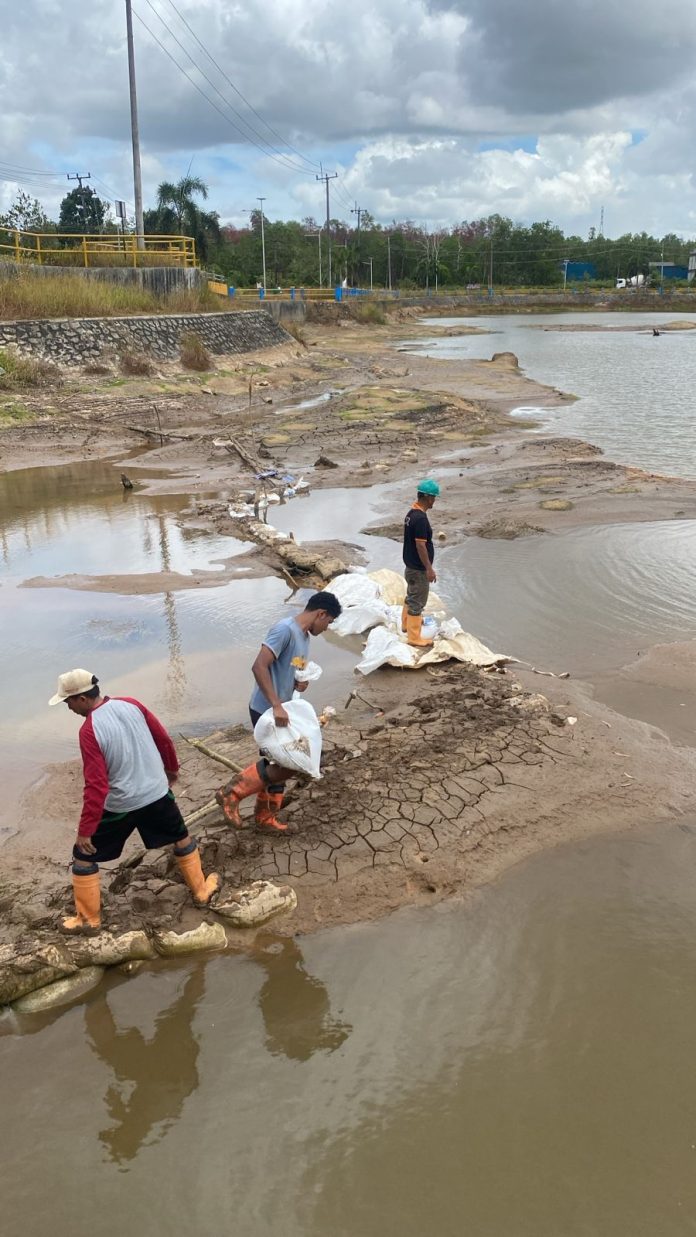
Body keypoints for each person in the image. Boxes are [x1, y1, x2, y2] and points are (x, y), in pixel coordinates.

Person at [49, 668, 219, 934]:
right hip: (156, 793)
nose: (67, 707)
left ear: (81, 698)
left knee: (83, 855)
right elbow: (163, 738)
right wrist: (171, 769)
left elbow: (96, 785)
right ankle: (201, 891)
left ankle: (88, 920)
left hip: (121, 805)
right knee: (181, 836)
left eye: (67, 701)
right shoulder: (131, 704)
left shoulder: (88, 731)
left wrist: (85, 831)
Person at [216, 591, 342, 833]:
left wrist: (300, 682)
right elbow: (259, 666)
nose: (327, 628)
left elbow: (292, 670)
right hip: (266, 710)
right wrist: (275, 704)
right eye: (329, 622)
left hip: (284, 710)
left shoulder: (305, 639)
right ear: (321, 613)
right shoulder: (284, 630)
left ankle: (265, 818)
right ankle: (231, 792)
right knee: (288, 764)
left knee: (280, 763)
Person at [402, 478, 441, 647]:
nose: (434, 501)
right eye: (433, 497)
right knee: (417, 602)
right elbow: (420, 545)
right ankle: (414, 637)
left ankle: (406, 625)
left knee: (411, 597)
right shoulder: (420, 519)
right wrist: (429, 569)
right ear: (427, 497)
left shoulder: (411, 514)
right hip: (418, 570)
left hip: (410, 566)